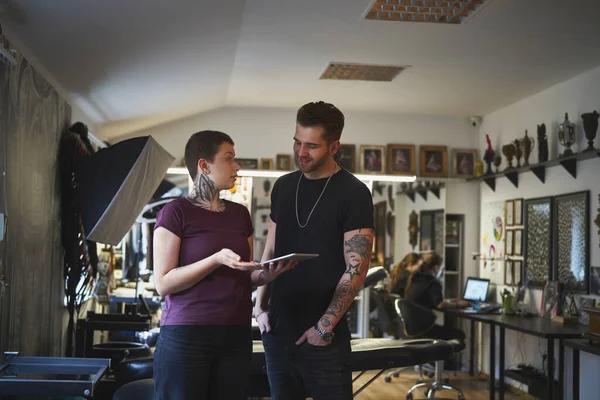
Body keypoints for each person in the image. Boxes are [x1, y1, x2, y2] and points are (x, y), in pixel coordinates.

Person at [152, 130, 296, 400]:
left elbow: (244, 276)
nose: (237, 165)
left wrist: (266, 274)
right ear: (204, 166)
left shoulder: (240, 214)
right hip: (187, 335)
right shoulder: (175, 212)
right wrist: (215, 259)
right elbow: (163, 283)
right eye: (229, 158)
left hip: (235, 334)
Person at [254, 101, 375, 400]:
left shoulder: (354, 193)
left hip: (325, 339)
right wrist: (260, 307)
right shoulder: (282, 186)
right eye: (297, 142)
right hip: (278, 333)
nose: (301, 152)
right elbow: (270, 248)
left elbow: (356, 268)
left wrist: (324, 328)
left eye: (312, 146)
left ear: (334, 147)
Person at [399, 252, 467, 341]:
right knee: (459, 334)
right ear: (435, 267)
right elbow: (440, 304)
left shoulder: (414, 278)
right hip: (424, 328)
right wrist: (459, 304)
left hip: (412, 327)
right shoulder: (432, 281)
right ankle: (444, 354)